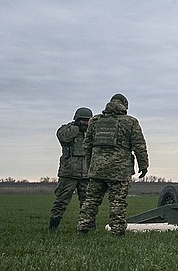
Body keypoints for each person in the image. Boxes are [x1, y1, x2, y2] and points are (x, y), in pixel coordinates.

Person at [76, 93, 148, 236]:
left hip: (97, 170)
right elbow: (139, 146)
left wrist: (91, 165)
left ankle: (82, 229)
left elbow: (87, 145)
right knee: (117, 202)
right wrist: (143, 166)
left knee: (91, 200)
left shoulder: (95, 121)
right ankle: (117, 232)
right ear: (125, 106)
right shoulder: (131, 122)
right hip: (119, 171)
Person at [48, 107, 94, 232]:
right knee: (61, 201)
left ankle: (89, 226)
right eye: (83, 121)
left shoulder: (92, 132)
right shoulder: (67, 129)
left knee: (88, 203)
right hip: (68, 174)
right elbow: (63, 137)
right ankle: (53, 226)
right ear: (77, 119)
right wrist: (76, 128)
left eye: (87, 121)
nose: (85, 123)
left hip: (86, 174)